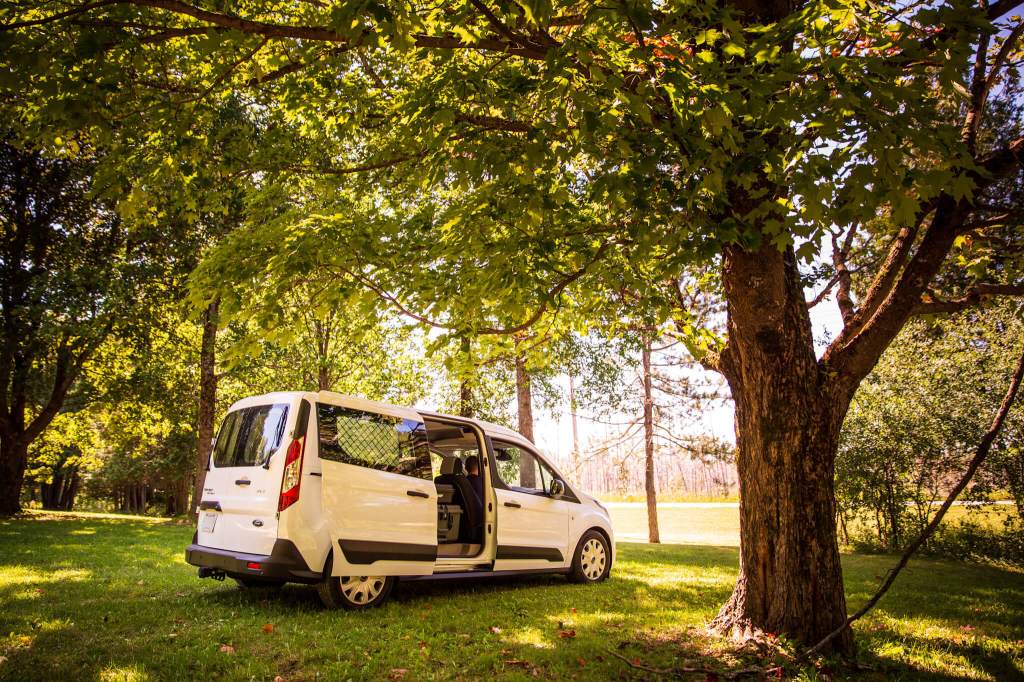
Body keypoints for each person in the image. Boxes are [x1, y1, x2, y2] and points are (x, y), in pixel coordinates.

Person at [464, 455, 485, 524]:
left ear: (466, 468)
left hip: (465, 519)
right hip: (478, 522)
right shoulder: (482, 483)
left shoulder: (463, 482)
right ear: (479, 467)